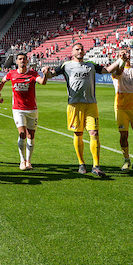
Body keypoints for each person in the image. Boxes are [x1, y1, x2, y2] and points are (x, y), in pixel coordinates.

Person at [50, 42, 109, 178]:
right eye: (77, 49)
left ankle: (96, 165)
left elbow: (107, 70)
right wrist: (46, 72)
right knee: (78, 134)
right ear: (72, 52)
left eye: (82, 49)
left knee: (94, 132)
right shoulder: (66, 65)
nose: (80, 51)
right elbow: (51, 75)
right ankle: (81, 163)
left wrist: (120, 61)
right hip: (74, 104)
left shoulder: (91, 65)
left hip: (91, 104)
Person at [0, 53, 50, 170]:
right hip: (18, 109)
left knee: (31, 135)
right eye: (20, 59)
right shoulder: (12, 74)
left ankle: (29, 161)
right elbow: (3, 81)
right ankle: (22, 160)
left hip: (32, 109)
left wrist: (45, 75)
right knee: (22, 134)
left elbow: (42, 82)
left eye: (24, 59)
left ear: (27, 61)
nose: (22, 61)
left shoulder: (33, 74)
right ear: (16, 62)